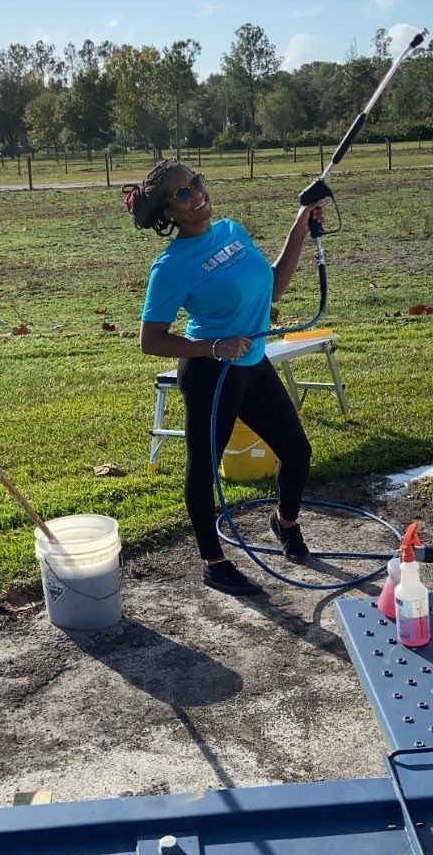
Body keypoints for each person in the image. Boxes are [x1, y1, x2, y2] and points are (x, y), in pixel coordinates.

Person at [125, 159, 323, 597]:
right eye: (182, 193)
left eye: (195, 182)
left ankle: (284, 523)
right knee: (203, 469)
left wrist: (299, 228)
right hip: (210, 373)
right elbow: (150, 339)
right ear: (168, 213)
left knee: (297, 451)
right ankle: (214, 562)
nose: (196, 193)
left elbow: (271, 286)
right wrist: (212, 347)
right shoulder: (171, 266)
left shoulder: (233, 230)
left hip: (251, 362)